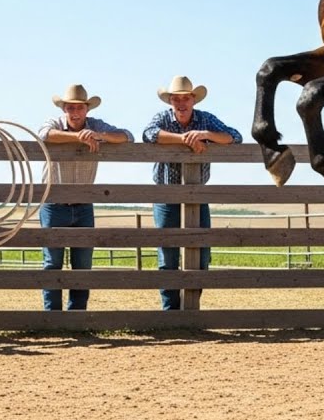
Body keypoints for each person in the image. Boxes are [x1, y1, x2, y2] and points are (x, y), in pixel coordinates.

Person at [141, 75, 242, 310]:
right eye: (176, 99)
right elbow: (149, 133)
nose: (181, 103)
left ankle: (192, 307)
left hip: (197, 196)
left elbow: (235, 136)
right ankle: (171, 311)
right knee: (168, 256)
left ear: (193, 100)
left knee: (201, 254)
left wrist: (204, 135)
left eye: (185, 98)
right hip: (166, 195)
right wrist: (184, 139)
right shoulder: (163, 118)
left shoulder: (205, 119)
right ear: (170, 102)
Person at [37, 84, 133, 311]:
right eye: (70, 107)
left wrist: (98, 136)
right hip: (54, 203)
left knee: (83, 264)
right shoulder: (54, 124)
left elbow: (127, 136)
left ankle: (77, 315)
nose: (75, 112)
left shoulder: (96, 126)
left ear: (86, 109)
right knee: (52, 263)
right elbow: (43, 134)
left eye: (79, 107)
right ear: (64, 109)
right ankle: (53, 316)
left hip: (83, 204)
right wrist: (78, 137)